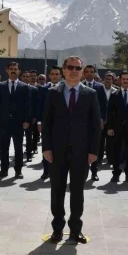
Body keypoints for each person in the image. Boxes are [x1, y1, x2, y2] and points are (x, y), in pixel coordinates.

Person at [41, 56, 101, 244]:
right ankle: (57, 229)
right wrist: (46, 147)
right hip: (57, 151)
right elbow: (47, 122)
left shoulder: (90, 94)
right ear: (64, 70)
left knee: (77, 192)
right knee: (57, 191)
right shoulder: (53, 93)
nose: (74, 70)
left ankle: (76, 230)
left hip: (81, 152)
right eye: (70, 67)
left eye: (78, 68)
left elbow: (95, 125)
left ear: (82, 72)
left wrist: (93, 151)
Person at [0, 61, 31, 178]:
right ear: (7, 70)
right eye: (11, 68)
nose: (13, 70)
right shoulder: (1, 86)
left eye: (15, 68)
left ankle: (18, 171)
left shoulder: (24, 87)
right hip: (4, 122)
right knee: (3, 148)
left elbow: (28, 106)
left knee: (18, 148)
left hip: (18, 123)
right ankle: (3, 170)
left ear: (19, 71)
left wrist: (26, 120)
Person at [82, 65, 107, 180]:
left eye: (91, 72)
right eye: (87, 72)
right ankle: (83, 171)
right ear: (83, 73)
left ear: (95, 73)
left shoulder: (100, 87)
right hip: (82, 123)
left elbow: (103, 105)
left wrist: (102, 119)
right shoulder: (80, 86)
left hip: (96, 122)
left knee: (95, 147)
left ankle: (94, 172)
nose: (89, 73)